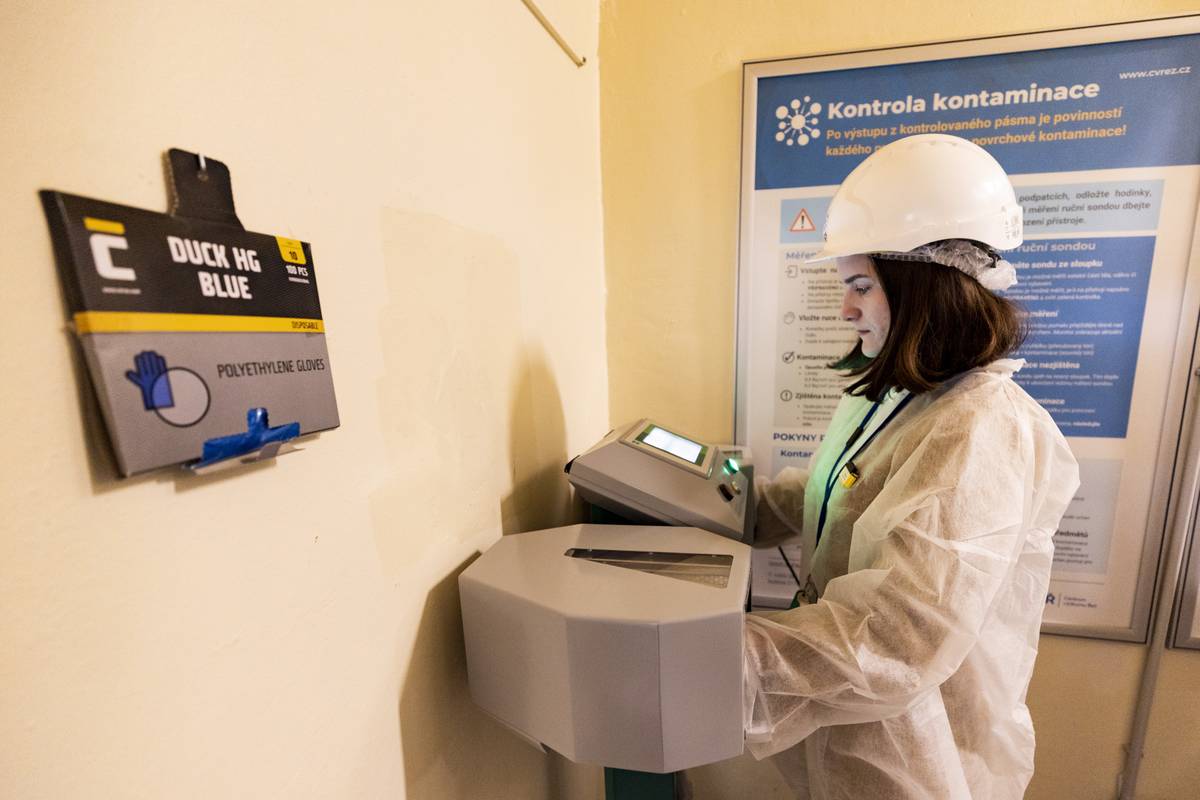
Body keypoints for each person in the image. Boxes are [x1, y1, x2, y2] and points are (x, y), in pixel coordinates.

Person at [743, 134, 1080, 799]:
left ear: (924, 287)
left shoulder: (978, 430)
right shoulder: (902, 395)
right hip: (852, 721)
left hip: (913, 753)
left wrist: (723, 658)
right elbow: (834, 494)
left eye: (861, 286)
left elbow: (898, 640)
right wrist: (717, 504)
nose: (845, 308)